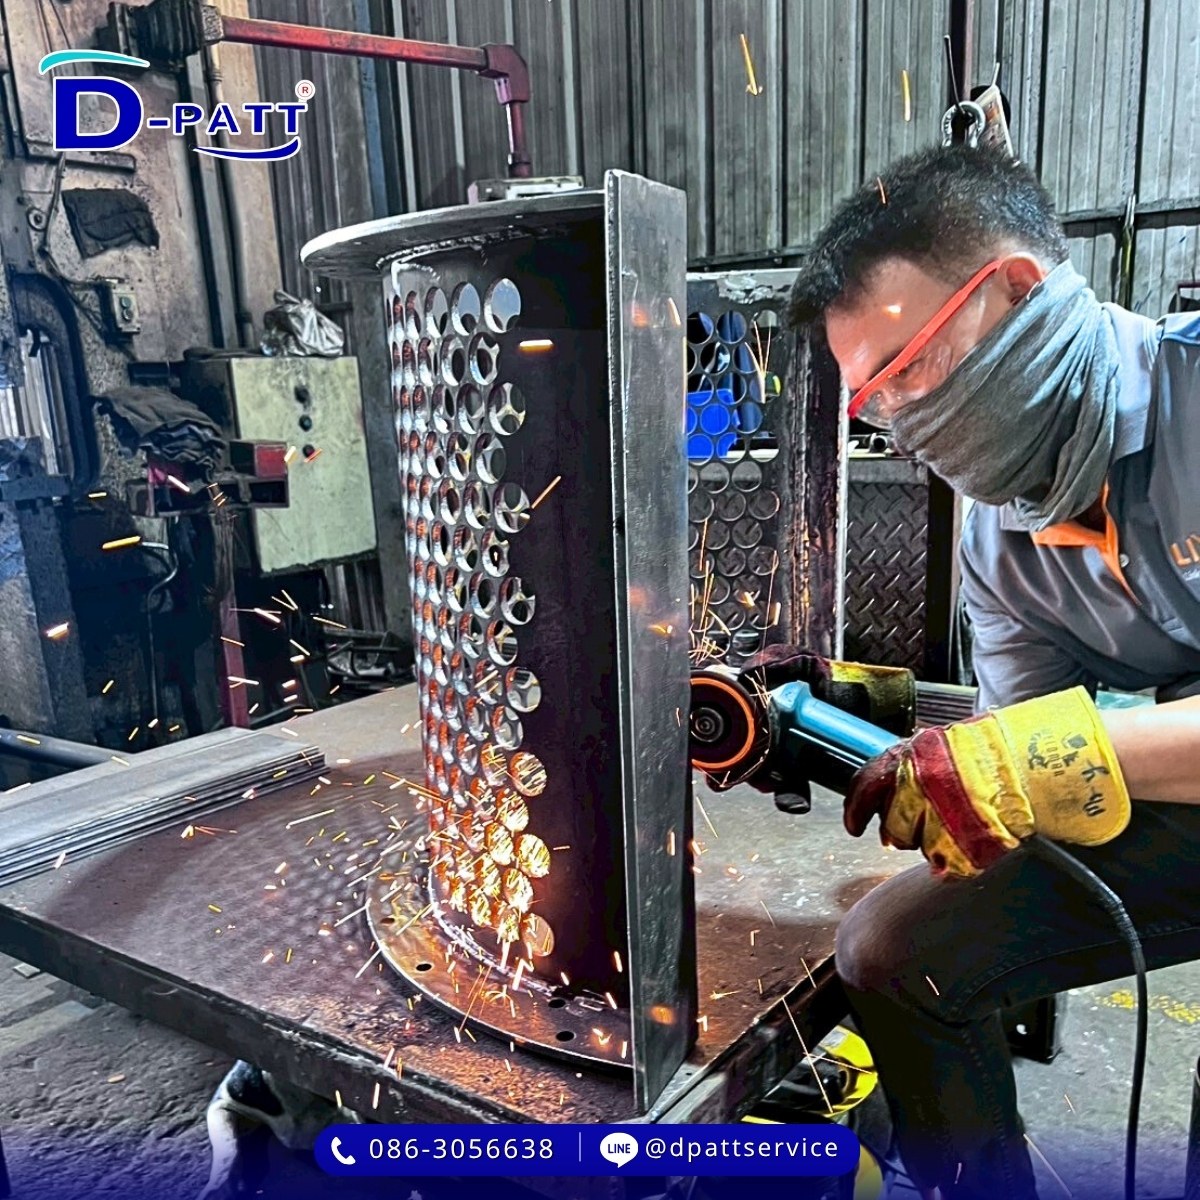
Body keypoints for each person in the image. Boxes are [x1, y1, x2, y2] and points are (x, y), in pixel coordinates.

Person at [773, 143, 1200, 1199]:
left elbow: (1043, 752)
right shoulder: (998, 544)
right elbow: (1021, 754)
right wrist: (850, 714)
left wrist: (1035, 756)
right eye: (877, 402)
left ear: (1015, 290)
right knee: (893, 950)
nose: (905, 422)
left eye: (910, 366)